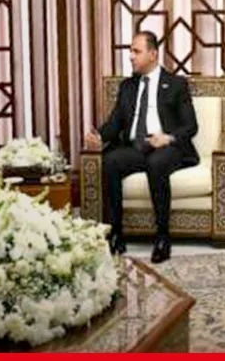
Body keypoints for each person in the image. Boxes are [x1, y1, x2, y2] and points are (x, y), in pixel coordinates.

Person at [84, 31, 198, 264]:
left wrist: (168, 138)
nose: (131, 56)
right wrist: (99, 136)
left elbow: (190, 126)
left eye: (136, 51)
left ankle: (162, 238)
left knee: (156, 164)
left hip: (167, 147)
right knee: (111, 161)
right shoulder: (128, 86)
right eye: (130, 51)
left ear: (153, 54)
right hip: (137, 147)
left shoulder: (176, 84)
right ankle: (116, 234)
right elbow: (115, 122)